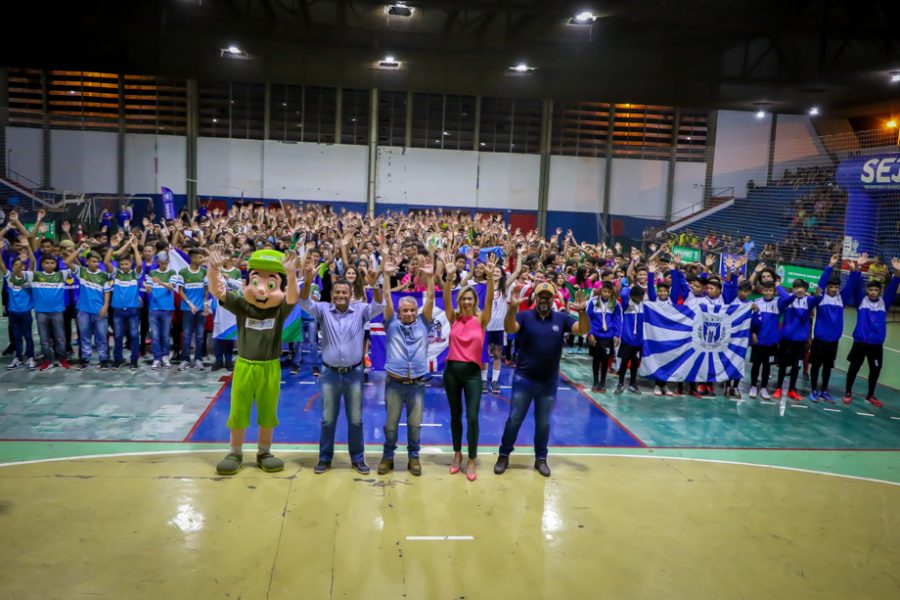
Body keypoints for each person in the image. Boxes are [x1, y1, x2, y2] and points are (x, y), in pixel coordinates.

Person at [207, 246, 301, 476]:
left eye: (270, 286)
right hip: (245, 365)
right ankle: (235, 452)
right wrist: (213, 268)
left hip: (270, 366)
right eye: (256, 282)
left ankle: (264, 451)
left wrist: (290, 275)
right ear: (247, 283)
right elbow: (218, 291)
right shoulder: (242, 305)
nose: (262, 291)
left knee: (268, 411)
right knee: (238, 410)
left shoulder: (279, 310)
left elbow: (292, 296)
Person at [299, 253, 386, 475]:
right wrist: (308, 279)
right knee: (328, 420)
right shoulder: (323, 310)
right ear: (332, 294)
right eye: (337, 292)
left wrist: (374, 283)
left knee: (355, 420)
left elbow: (379, 304)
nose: (340, 295)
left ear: (350, 295)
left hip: (354, 373)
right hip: (329, 374)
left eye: (344, 292)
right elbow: (303, 301)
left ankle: (357, 459)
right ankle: (325, 459)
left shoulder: (360, 310)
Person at [494, 282, 589, 477]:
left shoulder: (561, 318)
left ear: (553, 298)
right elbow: (510, 328)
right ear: (535, 298)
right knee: (514, 419)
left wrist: (582, 312)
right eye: (541, 296)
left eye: (547, 296)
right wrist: (511, 310)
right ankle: (503, 455)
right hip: (524, 379)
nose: (544, 300)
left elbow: (581, 330)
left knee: (543, 423)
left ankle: (541, 459)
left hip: (548, 382)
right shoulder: (524, 316)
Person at [377, 255, 436, 477]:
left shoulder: (424, 323)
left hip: (418, 384)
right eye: (405, 310)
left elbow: (430, 299)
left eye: (412, 309)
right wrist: (386, 275)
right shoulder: (390, 323)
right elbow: (386, 298)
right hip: (394, 383)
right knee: (391, 425)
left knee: (414, 424)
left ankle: (414, 457)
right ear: (399, 312)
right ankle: (388, 457)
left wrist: (430, 278)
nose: (409, 313)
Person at [441, 249, 497, 482]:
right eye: (463, 297)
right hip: (451, 372)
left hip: (473, 373)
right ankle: (457, 454)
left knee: (472, 417)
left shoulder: (481, 319)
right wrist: (450, 279)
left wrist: (492, 278)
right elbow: (445, 297)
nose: (466, 301)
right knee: (455, 415)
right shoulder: (453, 316)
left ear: (474, 301)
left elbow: (490, 299)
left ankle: (472, 458)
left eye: (470, 298)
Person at [843, 255, 900, 407]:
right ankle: (848, 392)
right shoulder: (861, 301)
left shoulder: (884, 303)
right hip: (860, 342)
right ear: (867, 290)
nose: (874, 292)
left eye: (876, 290)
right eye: (871, 289)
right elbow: (855, 286)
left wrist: (898, 273)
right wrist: (858, 268)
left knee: (875, 369)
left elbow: (893, 288)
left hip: (875, 344)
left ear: (879, 291)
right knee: (854, 367)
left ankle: (870, 395)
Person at [809, 255, 858, 402]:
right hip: (819, 340)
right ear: (826, 287)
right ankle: (813, 390)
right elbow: (821, 283)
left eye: (836, 287)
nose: (834, 289)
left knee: (827, 367)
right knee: (816, 366)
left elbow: (851, 286)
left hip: (833, 341)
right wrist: (830, 266)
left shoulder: (841, 298)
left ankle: (824, 390)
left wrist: (854, 271)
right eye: (831, 287)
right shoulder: (820, 297)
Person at [772, 279, 821, 401]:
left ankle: (791, 390)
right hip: (786, 339)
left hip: (800, 342)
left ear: (805, 290)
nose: (799, 289)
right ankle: (778, 388)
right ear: (793, 289)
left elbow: (816, 299)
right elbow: (783, 301)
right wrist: (790, 293)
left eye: (802, 288)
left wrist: (817, 294)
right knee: (782, 366)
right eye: (796, 287)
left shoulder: (808, 301)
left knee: (796, 367)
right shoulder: (786, 300)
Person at [64, 246, 112, 370]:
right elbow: (67, 262)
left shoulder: (103, 275)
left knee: (101, 337)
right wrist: (79, 249)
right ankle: (85, 359)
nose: (96, 264)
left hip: (99, 311)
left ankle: (103, 359)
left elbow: (107, 291)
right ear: (87, 262)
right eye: (93, 261)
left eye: (98, 262)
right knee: (84, 337)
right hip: (83, 311)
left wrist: (106, 306)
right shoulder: (82, 272)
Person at [105, 237, 144, 370]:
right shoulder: (116, 274)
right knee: (118, 336)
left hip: (133, 310)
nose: (124, 266)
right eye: (121, 264)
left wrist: (134, 248)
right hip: (117, 310)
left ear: (130, 263)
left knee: (134, 335)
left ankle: (134, 360)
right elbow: (106, 262)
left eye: (126, 264)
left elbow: (139, 264)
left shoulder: (135, 274)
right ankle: (118, 359)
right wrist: (112, 247)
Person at [0, 250, 37, 370]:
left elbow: (32, 262)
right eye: (15, 265)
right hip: (13, 312)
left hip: (25, 312)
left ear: (24, 266)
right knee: (16, 336)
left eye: (20, 265)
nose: (18, 267)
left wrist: (28, 249)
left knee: (27, 335)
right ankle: (18, 358)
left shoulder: (28, 277)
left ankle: (31, 357)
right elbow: (1, 264)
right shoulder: (9, 277)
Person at [174, 248, 209, 371]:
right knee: (187, 335)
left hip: (200, 310)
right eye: (200, 257)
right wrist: (190, 304)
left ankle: (198, 359)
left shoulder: (204, 272)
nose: (203, 259)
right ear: (193, 259)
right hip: (188, 309)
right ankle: (185, 360)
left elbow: (206, 289)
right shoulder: (183, 272)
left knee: (200, 335)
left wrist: (205, 303)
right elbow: (180, 290)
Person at [144, 251, 177, 369]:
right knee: (155, 335)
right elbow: (149, 289)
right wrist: (147, 287)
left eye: (165, 263)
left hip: (167, 308)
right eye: (161, 263)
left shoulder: (172, 272)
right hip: (153, 308)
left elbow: (171, 287)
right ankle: (156, 358)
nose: (163, 265)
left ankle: (165, 357)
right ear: (158, 262)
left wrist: (160, 282)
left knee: (165, 335)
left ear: (168, 262)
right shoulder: (152, 273)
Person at [586, 281, 621, 392]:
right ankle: (596, 381)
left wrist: (617, 334)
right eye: (604, 291)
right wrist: (589, 333)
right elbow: (587, 319)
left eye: (608, 292)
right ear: (601, 291)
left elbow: (618, 320)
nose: (606, 294)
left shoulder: (615, 303)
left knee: (605, 359)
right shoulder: (593, 301)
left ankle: (603, 382)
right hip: (595, 335)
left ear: (612, 293)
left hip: (608, 335)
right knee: (596, 359)